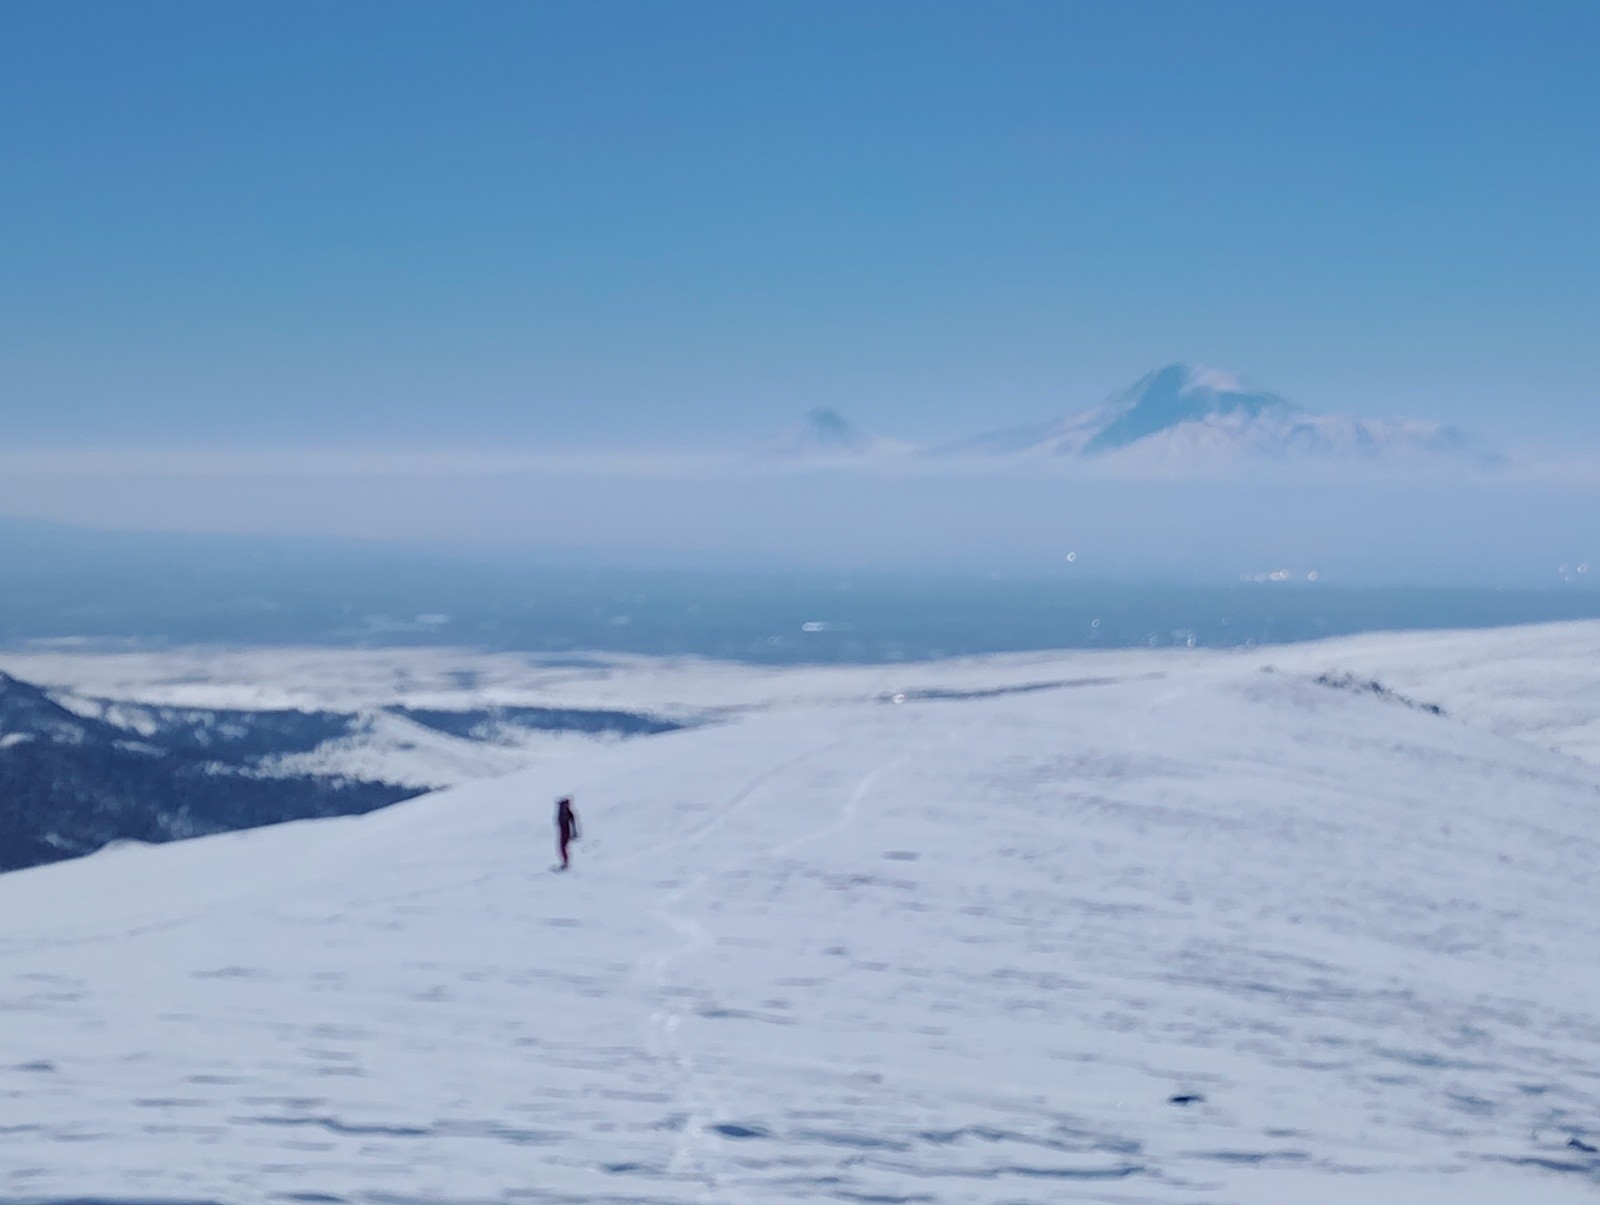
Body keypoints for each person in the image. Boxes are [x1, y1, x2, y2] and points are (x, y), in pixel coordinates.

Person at [555, 796, 580, 870]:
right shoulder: (567, 811)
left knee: (562, 847)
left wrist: (573, 833)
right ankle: (565, 862)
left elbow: (564, 822)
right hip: (564, 831)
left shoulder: (564, 811)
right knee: (563, 847)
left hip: (564, 831)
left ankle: (565, 863)